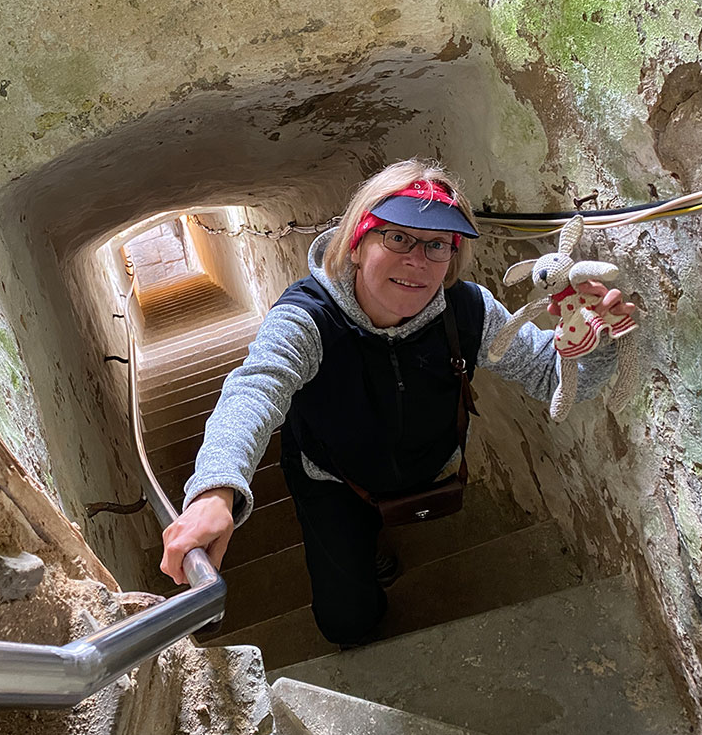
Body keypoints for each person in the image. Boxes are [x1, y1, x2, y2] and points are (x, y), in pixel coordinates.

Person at [159, 158, 634, 646]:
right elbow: (255, 387)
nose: (417, 260)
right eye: (397, 237)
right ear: (357, 243)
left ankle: (373, 543)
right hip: (332, 480)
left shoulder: (470, 311)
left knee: (372, 535)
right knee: (347, 623)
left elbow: (549, 374)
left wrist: (595, 342)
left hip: (419, 471)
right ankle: (363, 557)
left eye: (436, 245)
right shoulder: (307, 319)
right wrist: (217, 488)